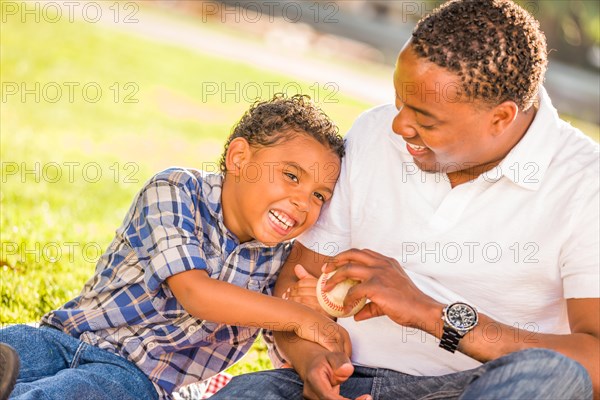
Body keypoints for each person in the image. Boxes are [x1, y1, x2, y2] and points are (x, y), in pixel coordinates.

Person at [212, 1, 599, 399]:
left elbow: (596, 363)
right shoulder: (374, 132)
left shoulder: (586, 183)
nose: (398, 125)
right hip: (352, 381)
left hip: (474, 389)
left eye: (425, 119)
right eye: (399, 101)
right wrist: (314, 364)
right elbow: (293, 290)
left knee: (552, 376)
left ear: (500, 118)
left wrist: (431, 314)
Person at [0, 94, 351, 400]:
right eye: (292, 176)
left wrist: (315, 308)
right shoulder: (176, 190)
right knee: (16, 346)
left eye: (319, 195)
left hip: (139, 379)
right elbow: (195, 293)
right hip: (67, 337)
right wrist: (299, 316)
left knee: (82, 392)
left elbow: (287, 337)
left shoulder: (281, 260)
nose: (303, 202)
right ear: (240, 158)